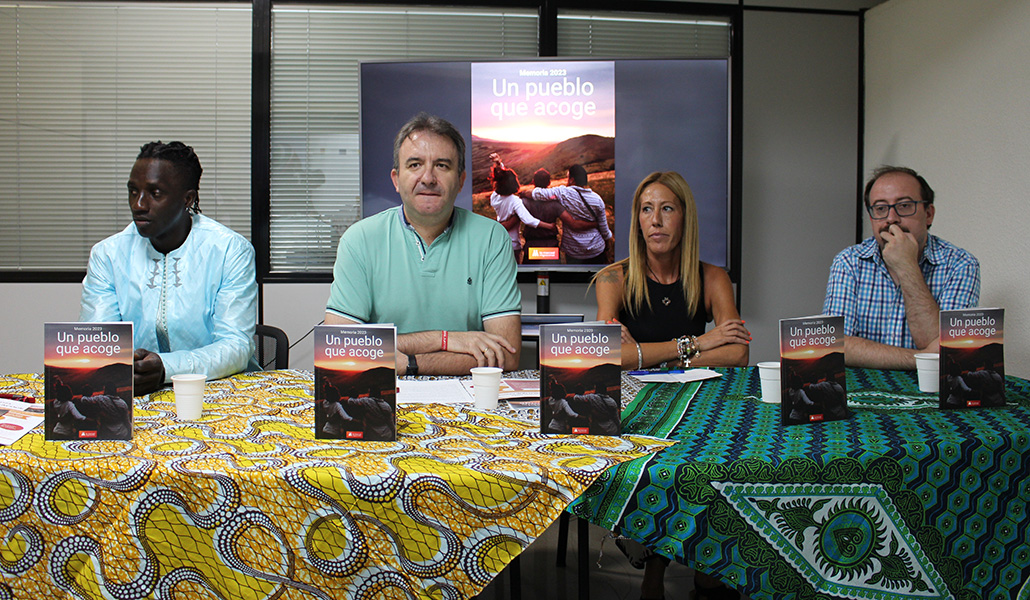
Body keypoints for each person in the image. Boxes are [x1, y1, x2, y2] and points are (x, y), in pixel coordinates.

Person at [594, 171, 749, 600]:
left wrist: (644, 352)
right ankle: (656, 566)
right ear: (636, 220)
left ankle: (706, 564)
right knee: (652, 464)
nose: (656, 220)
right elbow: (608, 355)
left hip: (701, 399)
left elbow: (737, 354)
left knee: (715, 459)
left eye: (667, 209)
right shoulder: (614, 277)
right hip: (637, 404)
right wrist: (695, 344)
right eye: (647, 209)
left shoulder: (713, 277)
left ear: (684, 219)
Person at [325, 113, 522, 375]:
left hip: (470, 401)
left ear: (461, 181)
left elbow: (506, 356)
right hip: (383, 398)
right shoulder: (359, 239)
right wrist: (444, 339)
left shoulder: (492, 238)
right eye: (415, 165)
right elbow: (339, 348)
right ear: (396, 179)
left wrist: (407, 363)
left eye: (442, 165)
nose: (428, 177)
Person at [80, 141, 258, 395]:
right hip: (138, 393)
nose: (139, 204)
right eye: (133, 191)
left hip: (218, 390)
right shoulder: (107, 255)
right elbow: (98, 342)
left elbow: (236, 345)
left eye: (155, 193)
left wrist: (165, 367)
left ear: (188, 198)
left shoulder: (229, 249)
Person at [823, 166, 980, 369]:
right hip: (863, 391)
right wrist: (918, 358)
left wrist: (907, 266)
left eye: (905, 206)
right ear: (871, 217)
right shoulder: (849, 261)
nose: (891, 218)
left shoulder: (961, 265)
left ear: (929, 214)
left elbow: (947, 351)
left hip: (930, 393)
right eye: (880, 208)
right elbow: (834, 345)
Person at [530, 164, 614, 264]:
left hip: (573, 251)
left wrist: (523, 193)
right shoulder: (597, 199)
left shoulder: (562, 193)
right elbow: (604, 230)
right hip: (595, 250)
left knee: (574, 278)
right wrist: (608, 246)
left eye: (567, 177)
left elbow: (537, 193)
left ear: (572, 180)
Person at [488, 162, 555, 263]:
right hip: (512, 244)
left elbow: (501, 178)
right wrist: (550, 226)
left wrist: (499, 166)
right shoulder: (515, 201)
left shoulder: (495, 197)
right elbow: (528, 220)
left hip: (498, 243)